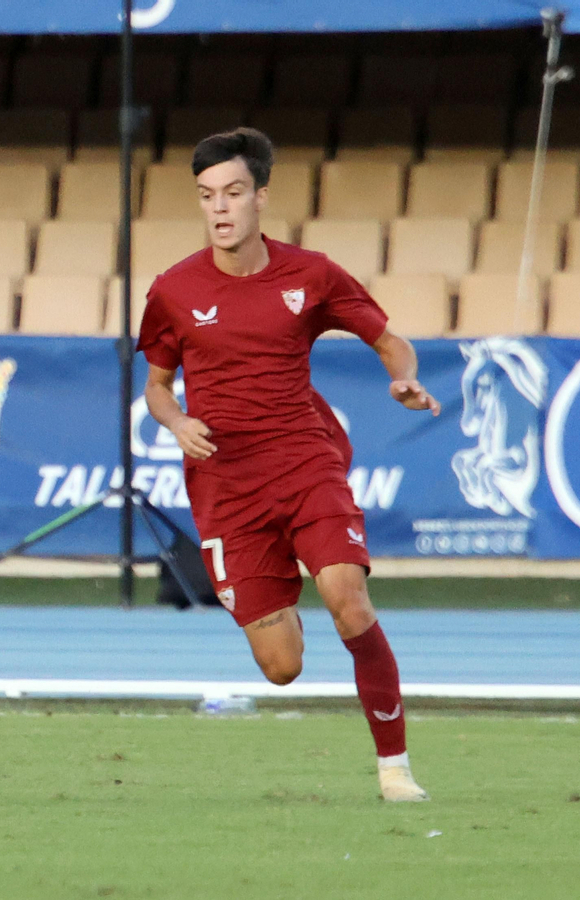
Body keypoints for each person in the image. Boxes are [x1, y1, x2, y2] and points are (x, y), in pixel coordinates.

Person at [136, 127, 439, 802]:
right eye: (207, 196)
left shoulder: (311, 274)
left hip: (306, 461)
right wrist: (177, 419)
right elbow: (156, 385)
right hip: (227, 484)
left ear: (261, 198)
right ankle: (278, 596)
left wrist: (404, 379)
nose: (220, 208)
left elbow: (389, 341)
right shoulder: (174, 290)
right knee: (281, 668)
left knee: (349, 601)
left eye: (234, 193)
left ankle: (394, 768)